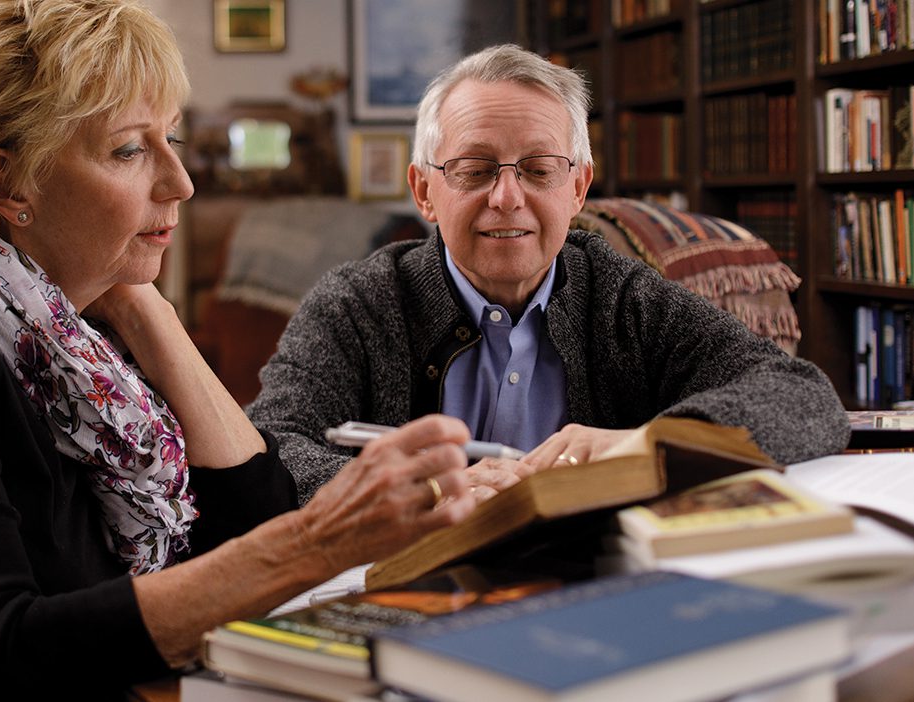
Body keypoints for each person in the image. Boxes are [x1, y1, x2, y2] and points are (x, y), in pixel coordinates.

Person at [0, 1, 476, 699]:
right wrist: (317, 545)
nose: (181, 182)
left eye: (173, 139)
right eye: (129, 149)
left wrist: (146, 309)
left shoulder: (72, 331)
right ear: (6, 183)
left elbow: (251, 525)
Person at [249, 44, 850, 503]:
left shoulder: (624, 299)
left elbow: (803, 398)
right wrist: (420, 490)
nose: (507, 198)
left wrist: (641, 444)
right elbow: (270, 446)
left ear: (578, 188)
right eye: (474, 168)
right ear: (424, 191)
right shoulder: (356, 303)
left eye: (538, 170)